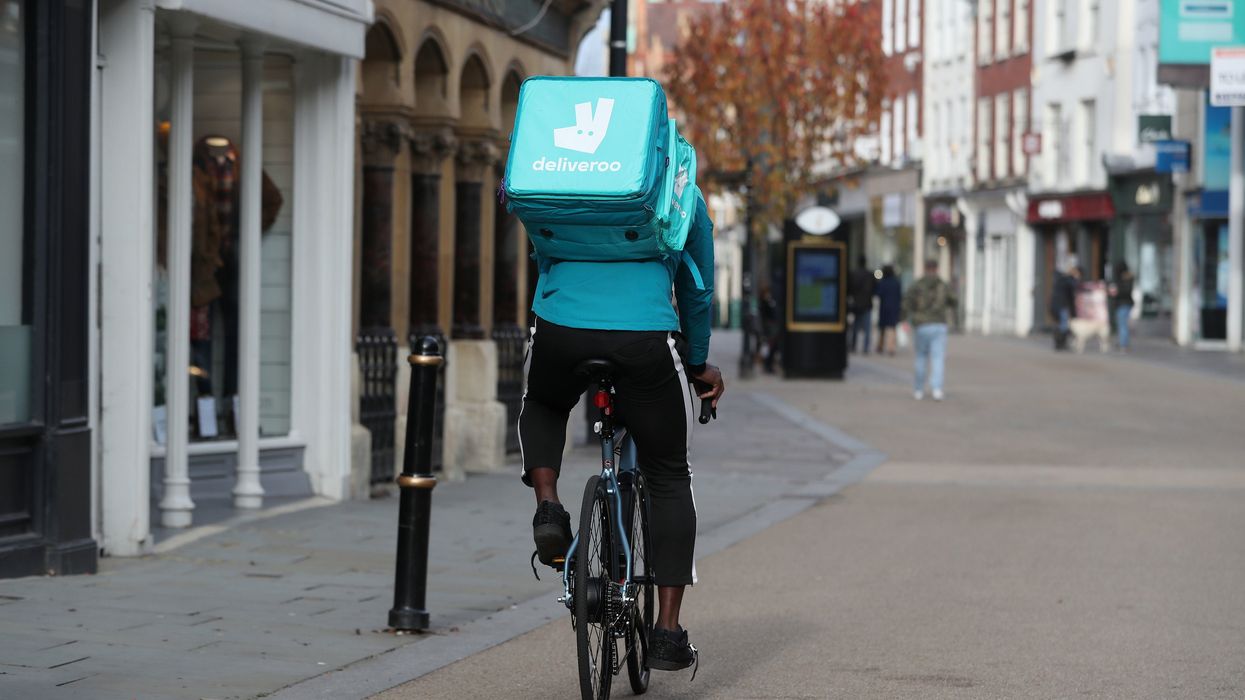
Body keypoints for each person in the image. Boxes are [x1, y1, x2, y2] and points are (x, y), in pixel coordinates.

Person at [520, 190, 723, 674]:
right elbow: (696, 284)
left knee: (544, 402)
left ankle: (548, 506)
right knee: (668, 472)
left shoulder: (567, 171)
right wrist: (698, 361)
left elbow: (542, 243)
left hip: (560, 326)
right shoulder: (676, 181)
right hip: (642, 334)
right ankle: (667, 633)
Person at [903, 259, 957, 400]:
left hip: (921, 325)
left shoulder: (917, 285)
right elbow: (954, 300)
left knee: (921, 357)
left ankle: (918, 389)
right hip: (939, 324)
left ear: (925, 268)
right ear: (936, 269)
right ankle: (936, 389)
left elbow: (907, 302)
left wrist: (906, 318)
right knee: (938, 358)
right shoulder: (943, 285)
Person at [848, 256, 877, 354]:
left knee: (855, 326)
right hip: (867, 303)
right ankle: (865, 348)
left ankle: (853, 346)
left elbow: (850, 288)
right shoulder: (869, 274)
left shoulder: (854, 274)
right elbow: (874, 288)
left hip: (856, 303)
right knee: (867, 328)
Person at [1049, 263, 1080, 351]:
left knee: (1059, 324)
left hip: (1056, 305)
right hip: (1062, 305)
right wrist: (1075, 278)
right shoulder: (1068, 280)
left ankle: (1059, 343)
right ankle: (1061, 343)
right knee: (1064, 325)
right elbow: (1074, 287)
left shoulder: (1059, 279)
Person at [874, 264, 902, 355]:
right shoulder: (896, 282)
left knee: (882, 327)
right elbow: (899, 295)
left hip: (884, 307)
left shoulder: (883, 282)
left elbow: (878, 293)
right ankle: (891, 347)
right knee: (892, 328)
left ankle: (880, 345)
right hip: (894, 307)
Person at [1111, 262, 1135, 353]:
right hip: (1124, 303)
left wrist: (1117, 292)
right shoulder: (1127, 278)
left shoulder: (1125, 279)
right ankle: (1123, 342)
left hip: (1123, 303)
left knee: (1122, 324)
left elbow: (1125, 291)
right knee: (1122, 324)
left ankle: (1123, 344)